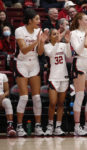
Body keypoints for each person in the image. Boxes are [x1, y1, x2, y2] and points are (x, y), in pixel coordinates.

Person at [15, 8, 48, 136]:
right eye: (37, 19)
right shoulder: (19, 30)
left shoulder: (38, 31)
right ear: (29, 20)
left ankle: (38, 126)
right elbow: (23, 49)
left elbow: (39, 52)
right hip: (22, 63)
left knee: (37, 97)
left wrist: (42, 42)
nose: (39, 22)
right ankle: (19, 126)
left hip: (34, 63)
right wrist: (36, 40)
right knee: (23, 97)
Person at [44, 28, 71, 136]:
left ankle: (58, 127)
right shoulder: (46, 46)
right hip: (53, 77)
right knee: (52, 103)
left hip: (64, 77)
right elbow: (51, 54)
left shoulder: (63, 45)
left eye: (57, 34)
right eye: (54, 34)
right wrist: (57, 42)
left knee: (60, 104)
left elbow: (69, 55)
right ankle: (50, 126)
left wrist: (68, 43)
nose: (56, 36)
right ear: (49, 36)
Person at [0, 72, 16, 136]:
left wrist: (3, 95)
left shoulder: (2, 76)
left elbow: (7, 91)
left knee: (7, 101)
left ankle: (10, 126)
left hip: (1, 97)